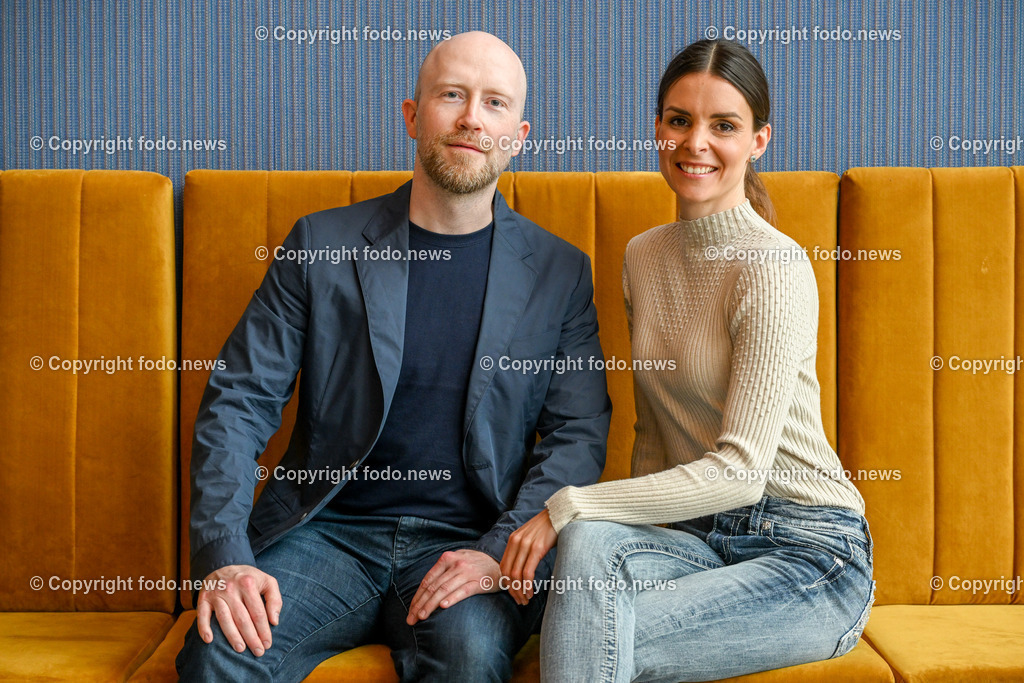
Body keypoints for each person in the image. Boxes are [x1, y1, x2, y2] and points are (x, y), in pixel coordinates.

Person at [176, 31, 611, 682]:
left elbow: (578, 434)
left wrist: (498, 550)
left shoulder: (561, 273)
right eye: (452, 95)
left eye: (494, 103)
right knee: (222, 647)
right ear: (412, 114)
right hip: (326, 533)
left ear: (517, 135)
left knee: (468, 657)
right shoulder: (320, 244)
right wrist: (225, 555)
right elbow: (238, 400)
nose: (471, 117)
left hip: (466, 545)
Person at [500, 39, 875, 682]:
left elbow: (741, 475)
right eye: (679, 120)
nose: (695, 142)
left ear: (759, 141)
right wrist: (586, 522)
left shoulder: (773, 268)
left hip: (808, 554)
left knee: (589, 634)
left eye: (723, 125)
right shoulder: (644, 256)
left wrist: (566, 504)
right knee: (589, 557)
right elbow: (655, 437)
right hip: (697, 544)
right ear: (658, 129)